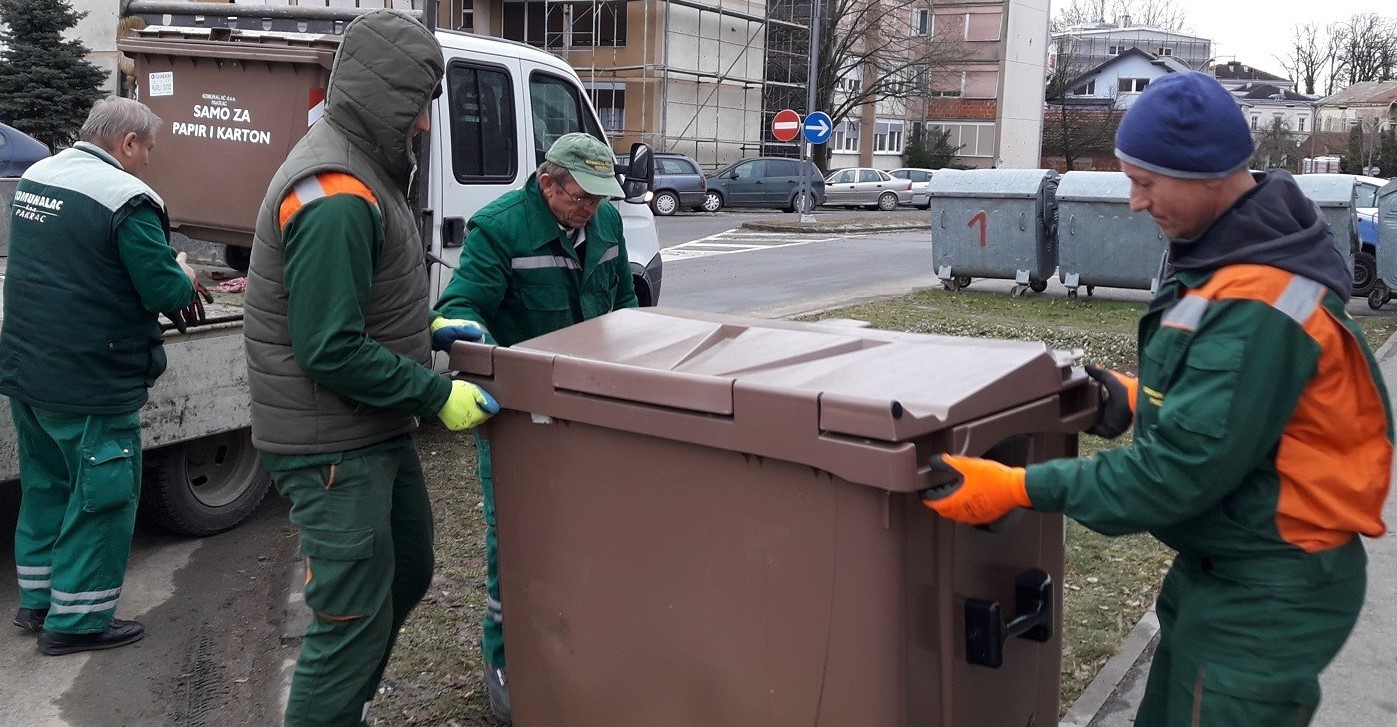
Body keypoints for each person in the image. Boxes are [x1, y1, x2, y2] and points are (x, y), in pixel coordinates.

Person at [923, 71, 1393, 725]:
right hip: (1222, 565)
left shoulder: (1257, 301)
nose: (1134, 203)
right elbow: (1241, 413)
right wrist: (1142, 399)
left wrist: (1017, 487)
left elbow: (1172, 477)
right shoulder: (1226, 257)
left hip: (1267, 591)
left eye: (1146, 183)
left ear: (1207, 177)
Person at [242, 10, 497, 726]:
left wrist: (427, 329)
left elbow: (364, 300)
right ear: (382, 94)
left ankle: (343, 707)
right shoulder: (335, 191)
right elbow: (329, 347)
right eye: (416, 104)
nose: (424, 123)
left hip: (370, 429)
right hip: (332, 445)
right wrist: (437, 393)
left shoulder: (365, 167)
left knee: (407, 569)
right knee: (349, 616)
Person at [432, 131, 639, 721]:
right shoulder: (501, 228)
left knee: (594, 529)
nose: (590, 208)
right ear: (548, 183)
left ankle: (584, 636)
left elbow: (625, 303)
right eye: (580, 196)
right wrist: (470, 342)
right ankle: (505, 654)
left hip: (594, 408)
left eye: (599, 197)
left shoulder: (606, 224)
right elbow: (461, 305)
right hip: (523, 419)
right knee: (518, 535)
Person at [2, 97, 205, 655]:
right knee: (102, 496)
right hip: (90, 377)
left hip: (27, 367)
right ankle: (77, 624)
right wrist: (183, 270)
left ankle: (38, 602)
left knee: (48, 486)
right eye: (149, 149)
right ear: (128, 142)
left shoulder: (39, 176)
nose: (149, 161)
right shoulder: (126, 198)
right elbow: (163, 290)